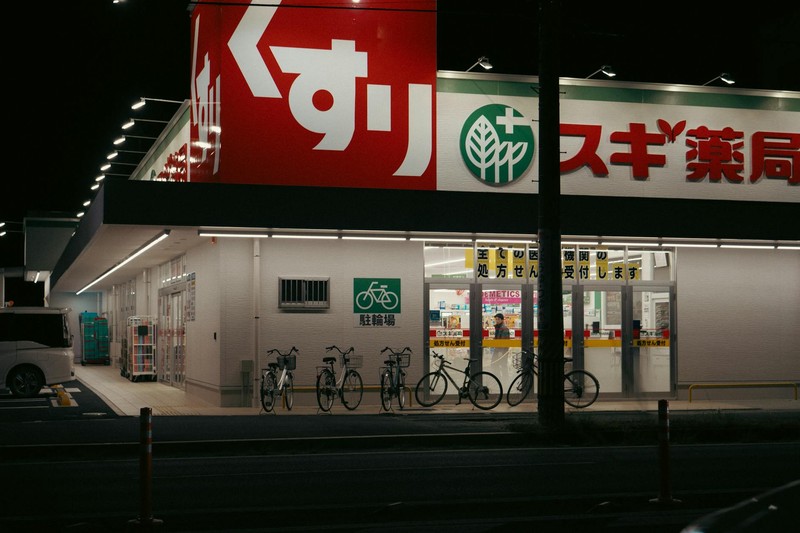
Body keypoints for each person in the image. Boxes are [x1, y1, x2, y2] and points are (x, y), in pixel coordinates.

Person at [491, 313, 510, 382]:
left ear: (502, 320)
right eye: (496, 319)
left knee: (502, 365)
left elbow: (503, 341)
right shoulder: (498, 327)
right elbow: (498, 338)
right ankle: (498, 379)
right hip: (498, 349)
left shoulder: (504, 328)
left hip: (502, 350)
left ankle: (504, 380)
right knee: (495, 364)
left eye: (498, 319)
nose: (497, 320)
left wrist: (500, 352)